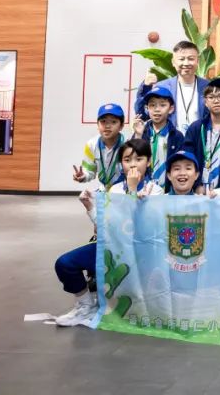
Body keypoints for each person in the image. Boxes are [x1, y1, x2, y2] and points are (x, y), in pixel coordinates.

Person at [55, 138, 157, 327]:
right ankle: (86, 305)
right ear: (121, 163)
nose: (133, 164)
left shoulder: (155, 190)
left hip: (138, 253)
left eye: (139, 159)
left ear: (149, 161)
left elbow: (140, 228)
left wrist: (132, 189)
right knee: (64, 264)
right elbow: (106, 226)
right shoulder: (115, 189)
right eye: (127, 160)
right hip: (112, 246)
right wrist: (89, 207)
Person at [134, 41, 210, 134]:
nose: (186, 63)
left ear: (197, 61)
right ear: (173, 62)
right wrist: (146, 87)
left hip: (200, 140)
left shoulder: (208, 87)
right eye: (181, 59)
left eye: (191, 59)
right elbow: (143, 115)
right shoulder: (162, 87)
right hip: (170, 140)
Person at [182, 78, 220, 195]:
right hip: (198, 190)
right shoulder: (196, 128)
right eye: (211, 97)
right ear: (205, 102)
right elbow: (187, 159)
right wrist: (196, 184)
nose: (216, 101)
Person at [131, 86, 184, 188]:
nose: (157, 109)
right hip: (143, 189)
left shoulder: (177, 136)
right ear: (147, 108)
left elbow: (180, 165)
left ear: (171, 109)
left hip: (168, 190)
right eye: (152, 105)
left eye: (162, 105)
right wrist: (138, 135)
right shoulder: (141, 132)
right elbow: (133, 160)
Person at [72, 102, 126, 190]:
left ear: (121, 126)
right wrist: (83, 176)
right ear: (97, 124)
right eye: (103, 121)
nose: (107, 126)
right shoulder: (91, 145)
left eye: (113, 122)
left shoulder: (128, 144)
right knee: (84, 196)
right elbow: (89, 171)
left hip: (125, 189)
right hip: (104, 189)